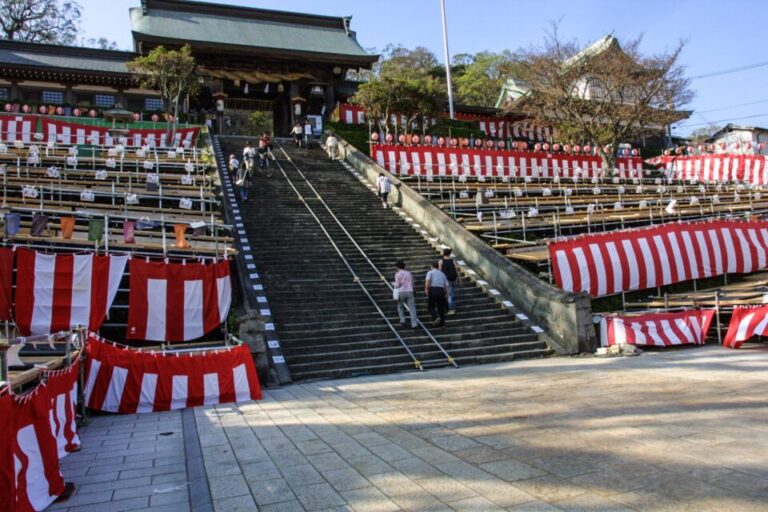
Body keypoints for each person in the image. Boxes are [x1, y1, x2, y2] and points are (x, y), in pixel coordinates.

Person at [394, 260, 418, 329]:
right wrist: (414, 289)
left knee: (400, 306)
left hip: (401, 292)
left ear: (397, 267)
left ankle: (402, 320)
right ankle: (414, 324)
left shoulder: (397, 274)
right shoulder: (409, 273)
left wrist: (393, 284)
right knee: (412, 308)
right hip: (409, 291)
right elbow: (412, 283)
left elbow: (398, 285)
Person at [425, 261, 449, 327]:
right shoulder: (442, 274)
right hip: (441, 291)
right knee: (441, 307)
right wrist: (446, 293)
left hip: (433, 290)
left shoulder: (430, 273)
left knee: (431, 306)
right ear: (438, 266)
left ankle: (435, 317)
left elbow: (428, 281)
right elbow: (446, 285)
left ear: (432, 266)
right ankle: (442, 322)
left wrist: (426, 289)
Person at [439, 248, 460, 314]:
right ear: (449, 254)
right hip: (452, 278)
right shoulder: (452, 261)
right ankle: (451, 307)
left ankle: (450, 308)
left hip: (445, 279)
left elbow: (440, 271)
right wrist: (459, 277)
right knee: (451, 292)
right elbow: (456, 269)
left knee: (449, 293)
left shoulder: (441, 261)